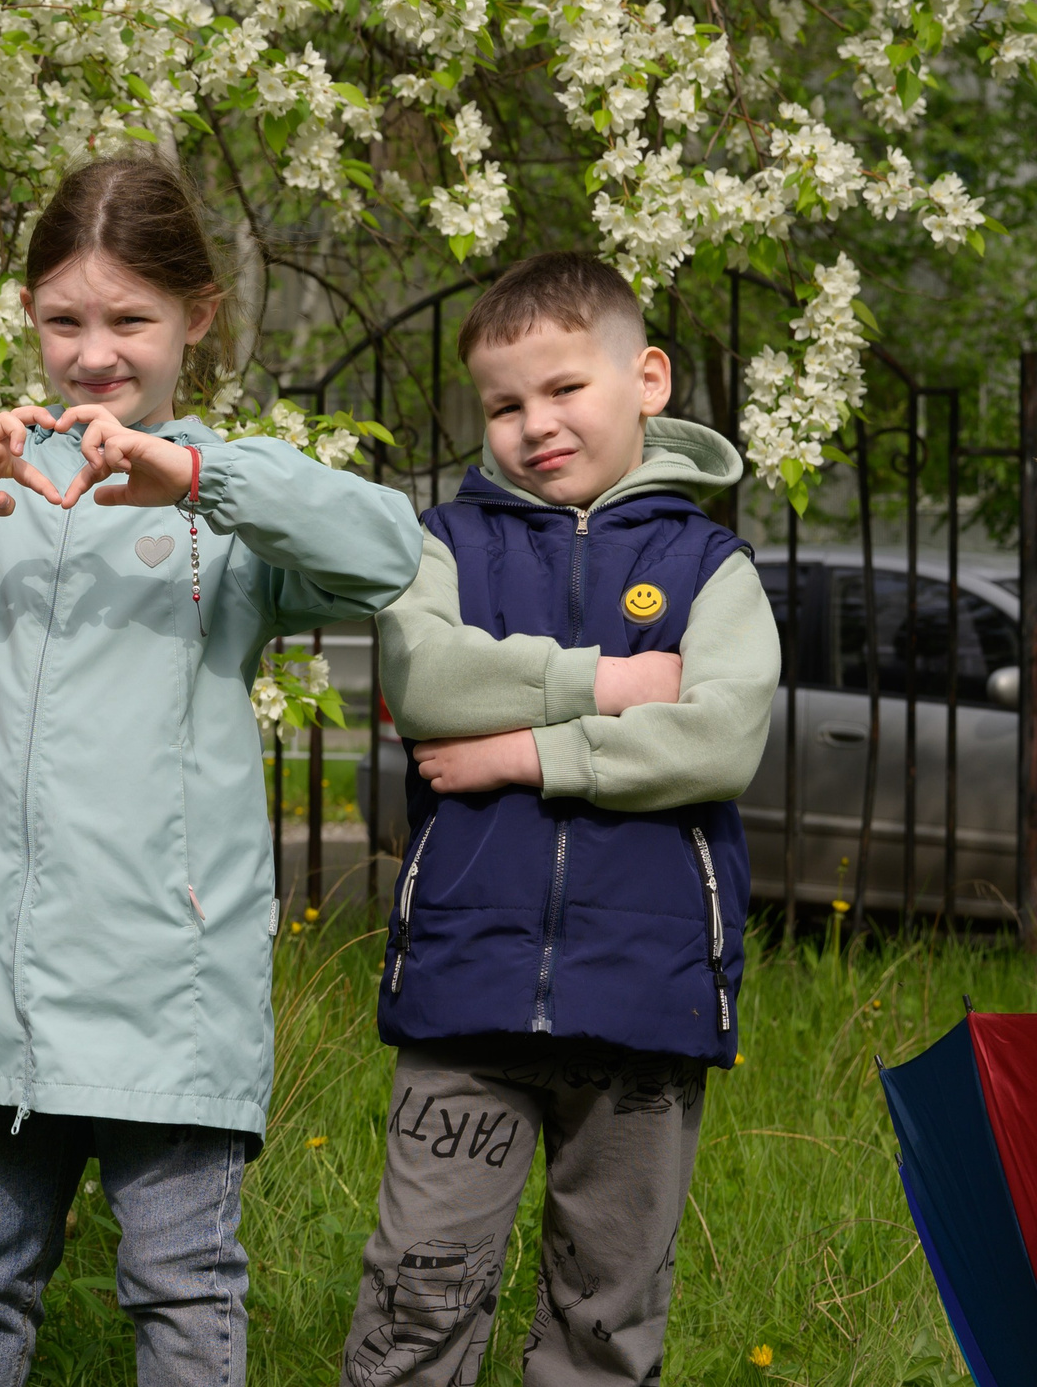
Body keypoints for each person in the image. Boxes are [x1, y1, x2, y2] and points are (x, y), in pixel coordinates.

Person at [0, 154, 423, 1386]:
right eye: (65, 319)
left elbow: (387, 552)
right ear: (29, 317)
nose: (94, 352)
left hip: (169, 984)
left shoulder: (224, 508)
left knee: (181, 1284)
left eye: (130, 319)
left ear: (198, 319)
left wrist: (201, 478)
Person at [338, 252, 779, 1387]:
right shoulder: (447, 544)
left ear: (646, 379)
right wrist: (613, 683)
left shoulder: (708, 567)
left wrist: (516, 748)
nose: (533, 423)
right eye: (502, 403)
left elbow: (718, 738)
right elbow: (429, 680)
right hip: (464, 988)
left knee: (606, 1303)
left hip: (647, 995)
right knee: (417, 1288)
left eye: (563, 387)